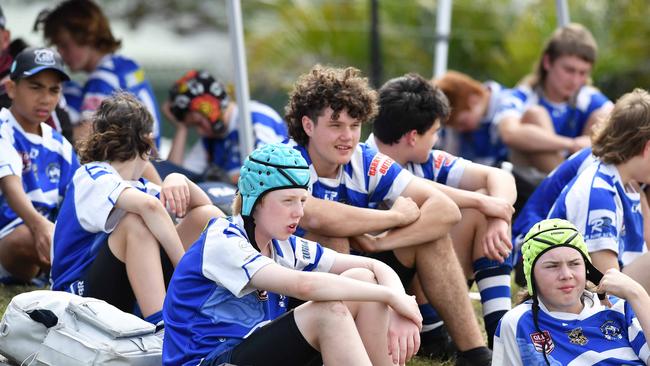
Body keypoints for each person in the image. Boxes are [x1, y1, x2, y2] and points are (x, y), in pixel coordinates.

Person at [284, 65, 493, 365]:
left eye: (355, 125)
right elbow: (316, 216)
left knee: (433, 237)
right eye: (336, 125)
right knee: (333, 237)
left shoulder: (364, 160)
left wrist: (379, 243)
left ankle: (475, 354)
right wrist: (391, 219)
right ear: (307, 125)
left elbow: (445, 209)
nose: (347, 137)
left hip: (364, 273)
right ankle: (342, 346)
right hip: (292, 293)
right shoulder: (287, 159)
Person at [163, 143, 422, 366]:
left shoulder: (283, 244)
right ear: (255, 200)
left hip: (248, 352)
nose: (298, 212)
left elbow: (373, 266)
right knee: (327, 312)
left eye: (303, 201)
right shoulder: (224, 238)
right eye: (288, 201)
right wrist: (390, 296)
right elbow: (304, 286)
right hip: (207, 360)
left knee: (362, 279)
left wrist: (400, 302)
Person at [368, 73, 517, 349]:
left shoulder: (426, 160)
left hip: (419, 281)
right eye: (436, 132)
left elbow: (500, 177)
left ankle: (501, 334)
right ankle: (433, 331)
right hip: (378, 285)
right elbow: (413, 192)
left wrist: (497, 216)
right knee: (429, 222)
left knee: (484, 202)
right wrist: (483, 203)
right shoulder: (362, 161)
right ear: (413, 136)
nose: (437, 140)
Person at [51, 92, 222, 328]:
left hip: (117, 294)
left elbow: (205, 209)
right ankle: (163, 327)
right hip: (77, 299)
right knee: (136, 223)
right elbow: (149, 207)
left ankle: (215, 306)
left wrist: (178, 179)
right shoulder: (92, 174)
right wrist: (182, 267)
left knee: (207, 218)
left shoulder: (136, 187)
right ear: (149, 141)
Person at [493, 218, 650, 365]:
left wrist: (637, 294)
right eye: (552, 266)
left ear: (587, 268)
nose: (566, 275)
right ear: (531, 275)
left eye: (574, 263)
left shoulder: (619, 308)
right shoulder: (517, 323)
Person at [548, 88, 650, 291]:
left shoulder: (626, 183)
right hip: (587, 302)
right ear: (647, 148)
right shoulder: (599, 192)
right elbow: (605, 286)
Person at [37, 0, 162, 149]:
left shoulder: (102, 78)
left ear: (86, 36)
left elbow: (90, 132)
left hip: (138, 164)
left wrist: (42, 137)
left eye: (64, 45)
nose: (60, 53)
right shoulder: (127, 65)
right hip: (154, 157)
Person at [0, 47, 78, 284]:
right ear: (11, 89)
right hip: (9, 242)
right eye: (35, 87)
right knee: (27, 236)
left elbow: (78, 195)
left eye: (53, 90)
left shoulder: (59, 144)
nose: (45, 98)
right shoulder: (3, 127)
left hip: (45, 237)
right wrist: (39, 226)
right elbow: (9, 184)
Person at [493, 23, 613, 174]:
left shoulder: (587, 97)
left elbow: (623, 130)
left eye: (583, 73)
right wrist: (571, 144)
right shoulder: (522, 96)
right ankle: (572, 189)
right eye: (569, 70)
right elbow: (509, 133)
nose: (575, 81)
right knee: (535, 115)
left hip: (568, 178)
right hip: (524, 182)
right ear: (547, 62)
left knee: (604, 117)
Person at [164, 69, 288, 184]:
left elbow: (269, 169)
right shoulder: (210, 140)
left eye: (199, 122)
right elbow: (175, 178)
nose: (200, 132)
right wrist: (181, 129)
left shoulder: (255, 117)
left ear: (211, 107)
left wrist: (228, 179)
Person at [434, 70, 509, 167]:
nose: (460, 129)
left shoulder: (510, 108)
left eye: (462, 123)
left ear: (473, 100)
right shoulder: (453, 130)